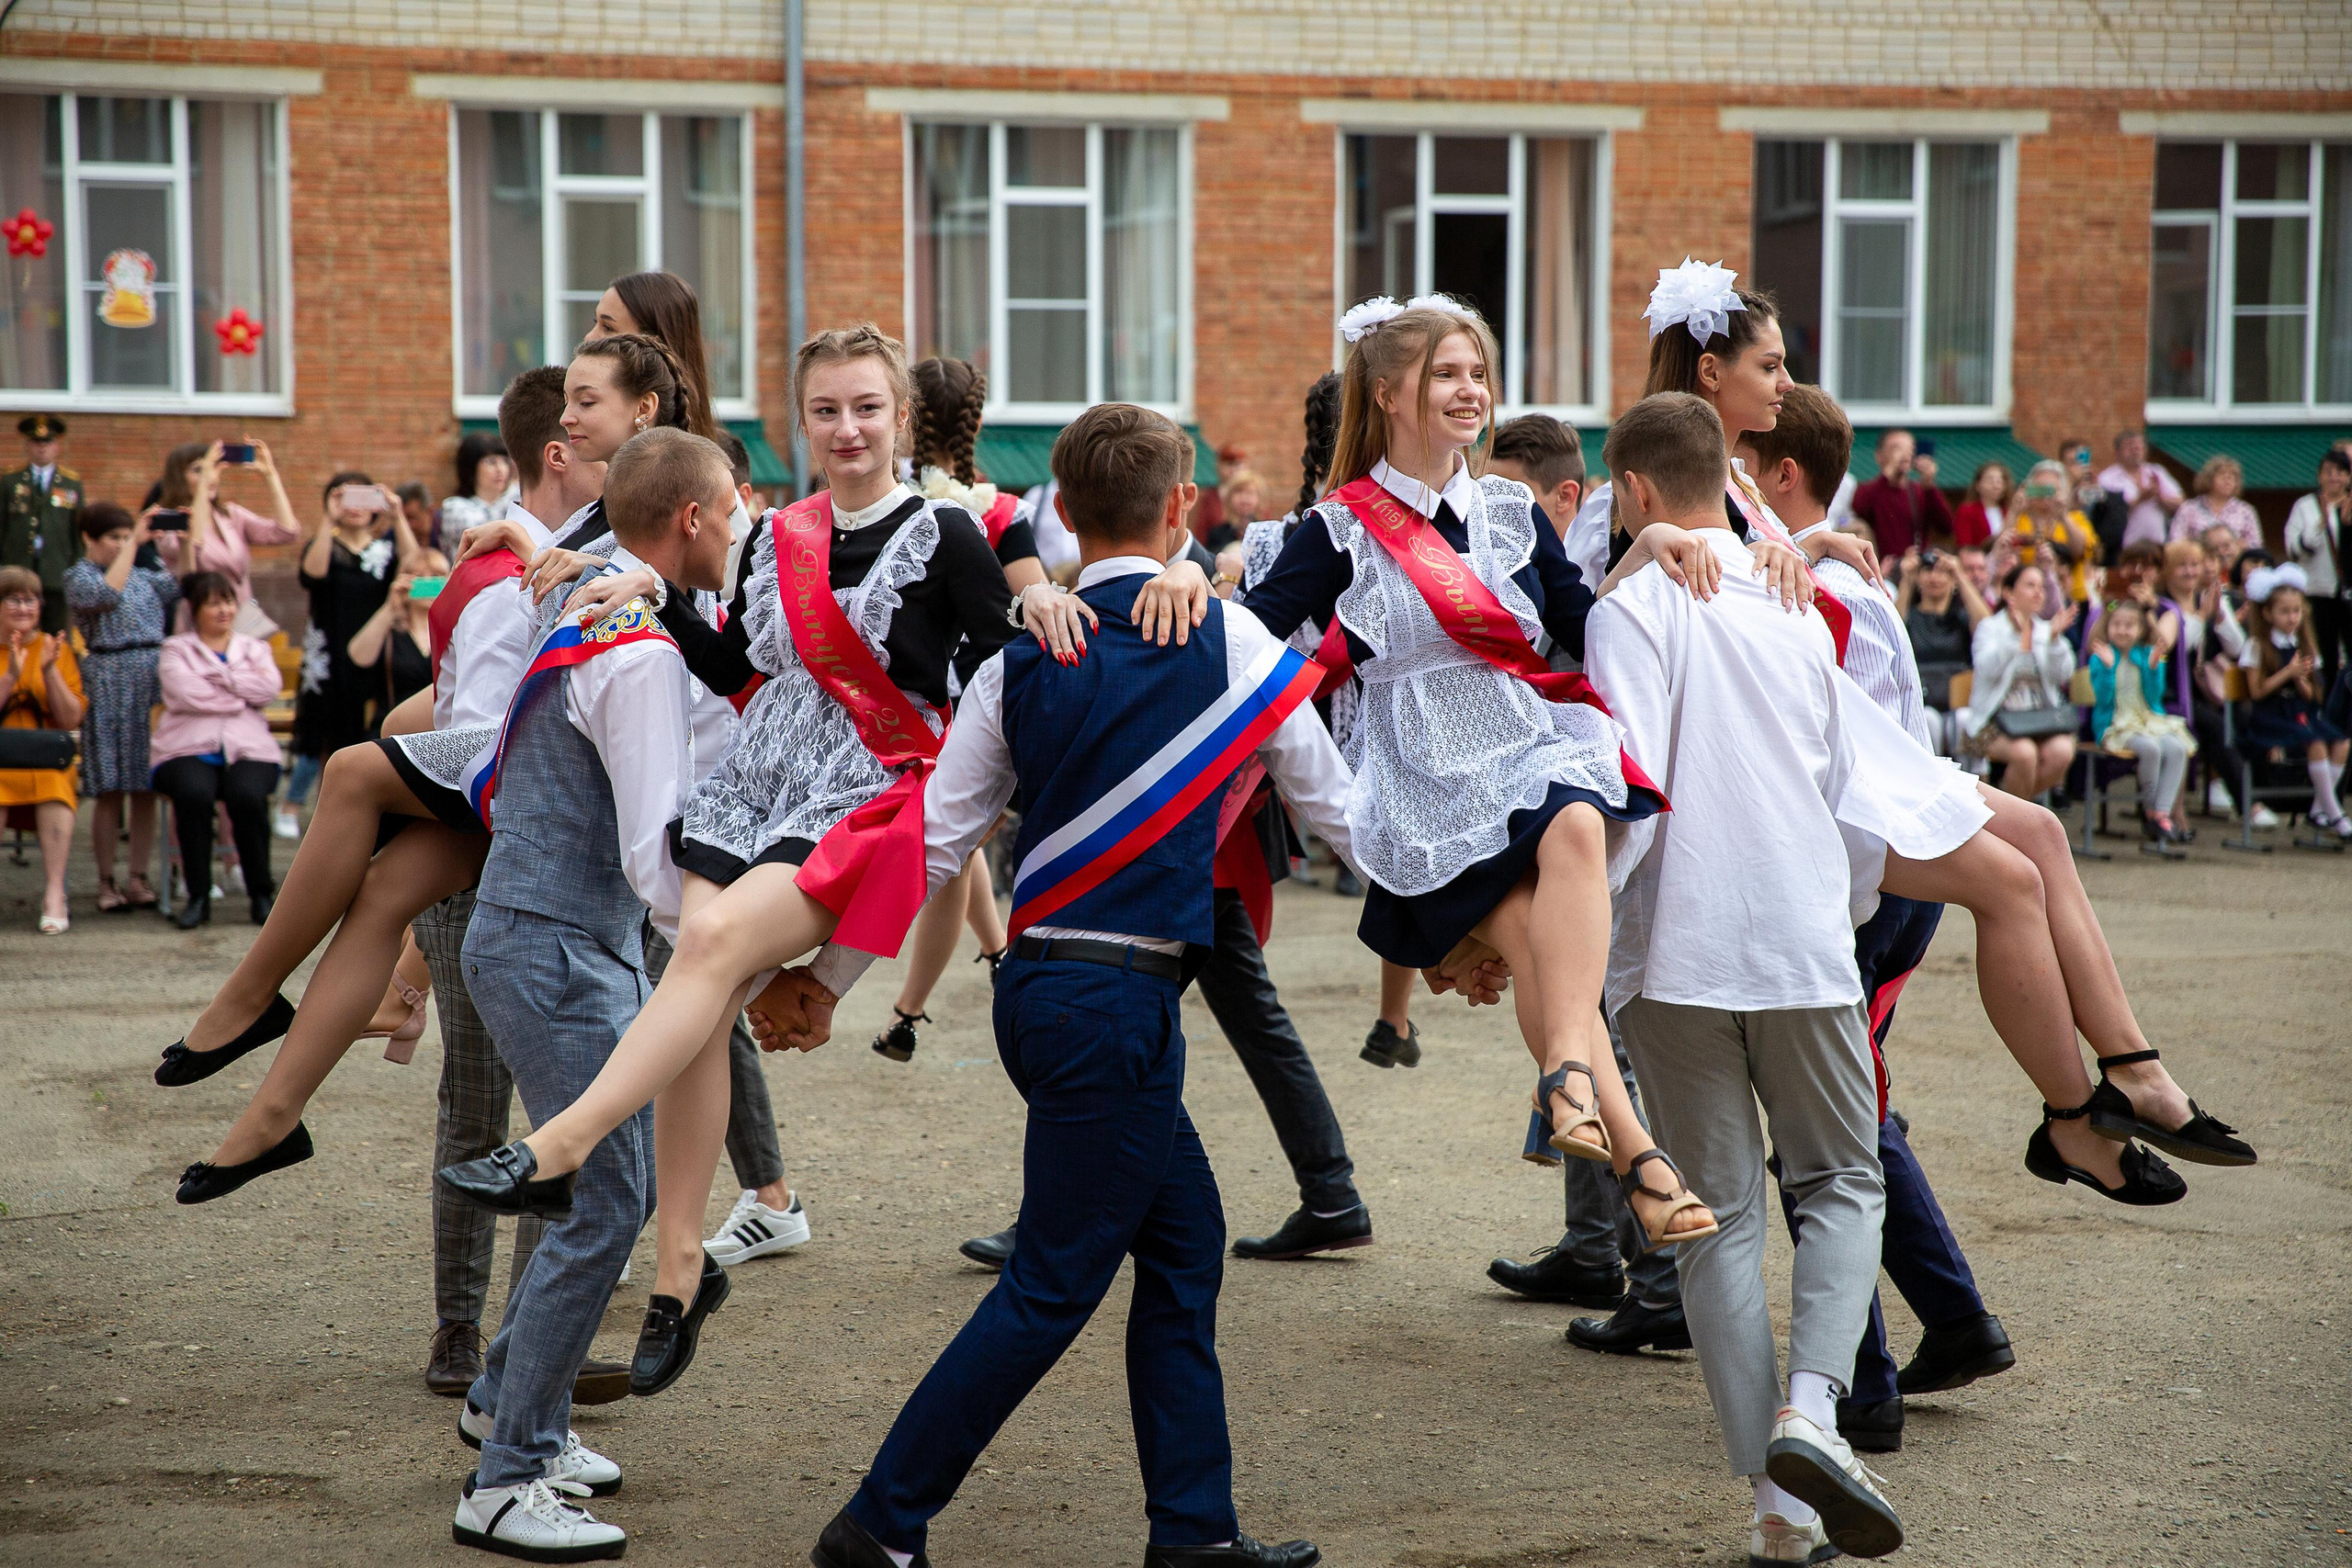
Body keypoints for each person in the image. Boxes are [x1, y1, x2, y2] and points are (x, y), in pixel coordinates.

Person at [435, 323, 1075, 1399]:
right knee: (702, 962)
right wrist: (646, 599)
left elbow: (1002, 692)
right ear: (800, 421)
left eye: (867, 407)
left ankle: (562, 1145)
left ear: (901, 418)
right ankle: (680, 1268)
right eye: (825, 409)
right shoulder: (779, 536)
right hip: (751, 787)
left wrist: (1043, 597)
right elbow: (737, 667)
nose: (847, 428)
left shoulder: (950, 533)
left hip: (863, 795)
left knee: (713, 944)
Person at [775, 401, 1338, 1568]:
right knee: (1049, 1285)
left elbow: (934, 844)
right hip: (1120, 1006)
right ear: (1180, 506)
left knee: (1185, 1246)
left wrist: (828, 979)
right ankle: (879, 1525)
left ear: (1065, 519)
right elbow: (1348, 817)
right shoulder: (1232, 647)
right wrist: (1482, 921)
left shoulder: (1024, 657)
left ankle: (1194, 1533)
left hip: (1041, 989)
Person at [1634, 259, 2247, 1207]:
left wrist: (1801, 546)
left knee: (2041, 835)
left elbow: (1738, 580)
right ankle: (2074, 1117)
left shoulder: (1735, 481)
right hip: (1784, 767)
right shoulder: (1660, 481)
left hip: (1837, 734)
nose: (1785, 381)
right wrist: (1769, 553)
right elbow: (1666, 604)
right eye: (1769, 363)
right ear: (1711, 374)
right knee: (2008, 882)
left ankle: (2133, 1070)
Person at [1204, 293, 1725, 1253]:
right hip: (1419, 774)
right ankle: (1634, 1150)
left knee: (1568, 840)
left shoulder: (1506, 511)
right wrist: (1184, 581)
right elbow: (1249, 634)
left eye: (1477, 373)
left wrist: (1646, 548)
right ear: (1390, 393)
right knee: (1542, 925)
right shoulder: (1338, 530)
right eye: (1446, 373)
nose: (1468, 390)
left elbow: (1584, 625)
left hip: (1519, 741)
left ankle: (1596, 1113)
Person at [156, 335, 698, 1202]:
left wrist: (557, 556)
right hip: (530, 749)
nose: (569, 412)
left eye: (587, 397)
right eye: (569, 401)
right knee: (379, 893)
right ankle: (272, 1116)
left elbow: (682, 588)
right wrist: (532, 542)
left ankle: (250, 994)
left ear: (643, 408)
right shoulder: (591, 507)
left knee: (349, 771)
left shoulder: (668, 488)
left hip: (551, 767)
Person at [1587, 392, 1916, 1564]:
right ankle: (1811, 1413)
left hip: (1674, 948)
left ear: (1630, 492)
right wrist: (1854, 909)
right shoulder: (1793, 601)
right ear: (1722, 474)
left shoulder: (1632, 606)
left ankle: (1780, 1512)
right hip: (1795, 933)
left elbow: (1624, 783)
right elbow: (1851, 783)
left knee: (1716, 1218)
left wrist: (1580, 951)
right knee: (1839, 1182)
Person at [440, 427, 740, 1562]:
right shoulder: (642, 652)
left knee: (597, 1189)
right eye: (732, 509)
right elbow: (652, 851)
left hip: (546, 937)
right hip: (559, 945)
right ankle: (505, 1477)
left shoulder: (598, 616)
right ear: (697, 522)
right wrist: (726, 944)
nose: (740, 528)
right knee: (606, 1197)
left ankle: (515, 1404)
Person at [1738, 382, 2016, 1458]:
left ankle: (1863, 1385)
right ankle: (1954, 1321)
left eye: (1741, 475)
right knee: (1855, 1115)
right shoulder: (1827, 570)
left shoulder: (1809, 582)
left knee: (1824, 1135)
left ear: (1781, 477)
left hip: (1865, 883)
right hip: (1889, 875)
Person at [867, 353, 1043, 1065]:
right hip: (981, 699)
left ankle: (911, 1008)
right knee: (957, 842)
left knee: (953, 847)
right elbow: (1031, 604)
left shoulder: (887, 498)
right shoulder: (1002, 512)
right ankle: (990, 957)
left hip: (909, 701)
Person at [150, 571, 284, 929]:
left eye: (228, 601)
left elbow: (269, 687)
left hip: (250, 748)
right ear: (194, 609)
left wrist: (223, 679)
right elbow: (185, 693)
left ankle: (260, 893)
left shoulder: (255, 647)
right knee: (193, 794)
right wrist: (242, 694)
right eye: (213, 603)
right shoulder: (176, 648)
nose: (224, 610)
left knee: (247, 795)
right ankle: (198, 895)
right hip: (184, 749)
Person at [65, 502, 175, 914]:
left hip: (149, 676)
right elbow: (105, 594)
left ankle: (138, 876)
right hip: (108, 677)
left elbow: (183, 584)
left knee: (146, 786)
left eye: (126, 536)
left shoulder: (144, 576)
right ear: (89, 539)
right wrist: (134, 545)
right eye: (114, 537)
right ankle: (106, 879)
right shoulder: (80, 576)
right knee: (110, 787)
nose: (122, 544)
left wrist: (183, 541)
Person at [288, 472, 412, 829]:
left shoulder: (385, 549)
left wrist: (398, 515)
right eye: (346, 499)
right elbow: (311, 574)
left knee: (363, 728)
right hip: (327, 655)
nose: (355, 509)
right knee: (319, 727)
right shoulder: (326, 543)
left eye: (363, 499)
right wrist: (329, 518)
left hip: (373, 650)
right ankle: (293, 806)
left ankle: (350, 812)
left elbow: (415, 568)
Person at [146, 437, 302, 636]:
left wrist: (270, 474)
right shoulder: (169, 522)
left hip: (243, 624)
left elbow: (286, 532)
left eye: (213, 469)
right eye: (199, 470)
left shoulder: (231, 514)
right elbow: (192, 546)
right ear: (178, 478)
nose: (210, 477)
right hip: (201, 627)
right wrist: (203, 486)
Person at [0, 562, 84, 931]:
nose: (24, 607)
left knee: (54, 784)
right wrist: (10, 678)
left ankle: (54, 892)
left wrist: (48, 671)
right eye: (14, 599)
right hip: (2, 762)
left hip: (44, 760)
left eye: (31, 599)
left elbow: (70, 720)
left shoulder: (54, 648)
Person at [2239, 564, 2350, 836]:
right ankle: (2334, 813)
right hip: (2269, 715)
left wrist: (2301, 680)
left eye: (2296, 611)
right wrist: (2287, 673)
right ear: (2267, 614)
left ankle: (2317, 810)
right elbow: (2256, 692)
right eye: (2285, 612)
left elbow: (2313, 695)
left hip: (2299, 711)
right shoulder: (2257, 645)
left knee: (2343, 741)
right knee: (2314, 741)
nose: (2292, 618)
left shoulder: (2304, 645)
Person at [2086, 598, 2197, 846]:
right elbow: (2103, 699)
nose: (2122, 631)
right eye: (2117, 625)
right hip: (2116, 723)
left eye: (2129, 626)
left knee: (2177, 748)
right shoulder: (2101, 657)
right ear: (2108, 627)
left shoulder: (2145, 654)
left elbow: (2153, 696)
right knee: (2150, 748)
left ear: (2140, 630)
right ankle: (2150, 812)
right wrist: (2106, 669)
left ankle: (2162, 813)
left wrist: (2154, 668)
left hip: (2147, 718)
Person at [1962, 563, 2077, 796]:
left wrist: (2054, 641)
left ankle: (2009, 813)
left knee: (2063, 751)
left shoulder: (2047, 630)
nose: (2038, 593)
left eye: (2041, 587)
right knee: (2025, 754)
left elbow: (2064, 675)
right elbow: (1986, 669)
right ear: (2009, 593)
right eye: (2030, 585)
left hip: (2038, 719)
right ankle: (2018, 819)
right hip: (1993, 720)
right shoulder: (1990, 627)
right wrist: (2014, 638)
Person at [2, 414, 84, 634]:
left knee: (55, 632)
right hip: (17, 568)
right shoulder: (10, 481)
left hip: (56, 572)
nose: (41, 448)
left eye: (47, 442)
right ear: (27, 445)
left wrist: (77, 571)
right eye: (36, 442)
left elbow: (76, 534)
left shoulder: (70, 483)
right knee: (16, 630)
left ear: (57, 445)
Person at [346, 547, 443, 730]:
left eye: (437, 576)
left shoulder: (454, 633)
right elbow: (358, 658)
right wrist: (390, 607)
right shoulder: (389, 631)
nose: (428, 582)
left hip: (439, 730)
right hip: (392, 728)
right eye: (419, 577)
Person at [1894, 546, 1988, 729]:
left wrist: (1960, 575)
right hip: (1921, 697)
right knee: (1929, 721)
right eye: (1928, 571)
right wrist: (1907, 580)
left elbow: (1987, 627)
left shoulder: (1962, 617)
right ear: (1919, 578)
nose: (1935, 577)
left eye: (1943, 572)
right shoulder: (1909, 616)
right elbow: (1893, 628)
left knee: (1964, 719)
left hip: (1960, 700)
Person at [1990, 461, 2096, 619]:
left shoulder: (2076, 519)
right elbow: (1999, 549)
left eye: (2052, 489)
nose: (2046, 495)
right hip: (2023, 599)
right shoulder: (2020, 519)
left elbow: (2080, 551)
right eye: (2040, 489)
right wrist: (2014, 511)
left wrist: (2063, 516)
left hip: (2070, 598)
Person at [2282, 448, 2351, 689]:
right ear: (2319, 476)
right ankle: (2329, 708)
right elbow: (2294, 548)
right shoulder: (2305, 506)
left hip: (2347, 591)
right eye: (2328, 472)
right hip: (2317, 590)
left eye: (2341, 472)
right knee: (2325, 654)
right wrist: (2320, 525)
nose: (2334, 477)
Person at [1847, 429, 1952, 559]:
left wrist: (1930, 486)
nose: (1904, 454)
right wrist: (1888, 474)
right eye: (1896, 448)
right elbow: (1859, 508)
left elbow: (1946, 527)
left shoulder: (1919, 491)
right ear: (1879, 456)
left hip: (1913, 567)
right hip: (1882, 567)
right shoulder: (1870, 488)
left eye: (1910, 448)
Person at [2098, 430, 2183, 550]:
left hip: (2158, 546)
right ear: (2117, 453)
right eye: (2129, 446)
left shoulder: (2156, 471)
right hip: (2123, 547)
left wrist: (2159, 497)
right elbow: (2108, 514)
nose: (2135, 450)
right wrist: (2140, 499)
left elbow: (2180, 503)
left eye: (2139, 446)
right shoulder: (2107, 478)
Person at [2060, 436, 2132, 567]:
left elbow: (2116, 532)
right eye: (2071, 462)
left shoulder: (2110, 498)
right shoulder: (2057, 500)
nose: (2077, 468)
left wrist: (2098, 491)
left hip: (2102, 565)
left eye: (2081, 461)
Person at [439, 432, 515, 546]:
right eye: (491, 462)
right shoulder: (455, 508)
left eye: (504, 461)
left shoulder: (513, 499)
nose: (500, 469)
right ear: (471, 467)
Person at [2172, 456, 2260, 549]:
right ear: (2209, 479)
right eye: (2222, 474)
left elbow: (2256, 546)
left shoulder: (2246, 511)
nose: (2228, 480)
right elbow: (2175, 541)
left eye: (2233, 476)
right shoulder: (2188, 508)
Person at [1950, 460, 2011, 549]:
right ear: (1978, 485)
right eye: (1990, 480)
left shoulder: (2008, 511)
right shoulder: (1967, 511)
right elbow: (1964, 544)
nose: (1996, 485)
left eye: (2000, 481)